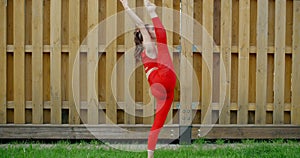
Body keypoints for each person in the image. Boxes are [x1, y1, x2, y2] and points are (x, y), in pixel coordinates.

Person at [120, 0, 176, 157]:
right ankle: (152, 11)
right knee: (163, 42)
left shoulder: (148, 52)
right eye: (148, 29)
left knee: (158, 122)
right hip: (162, 79)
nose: (152, 29)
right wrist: (127, 8)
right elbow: (141, 24)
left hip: (160, 88)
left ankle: (150, 155)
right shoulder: (148, 46)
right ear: (142, 34)